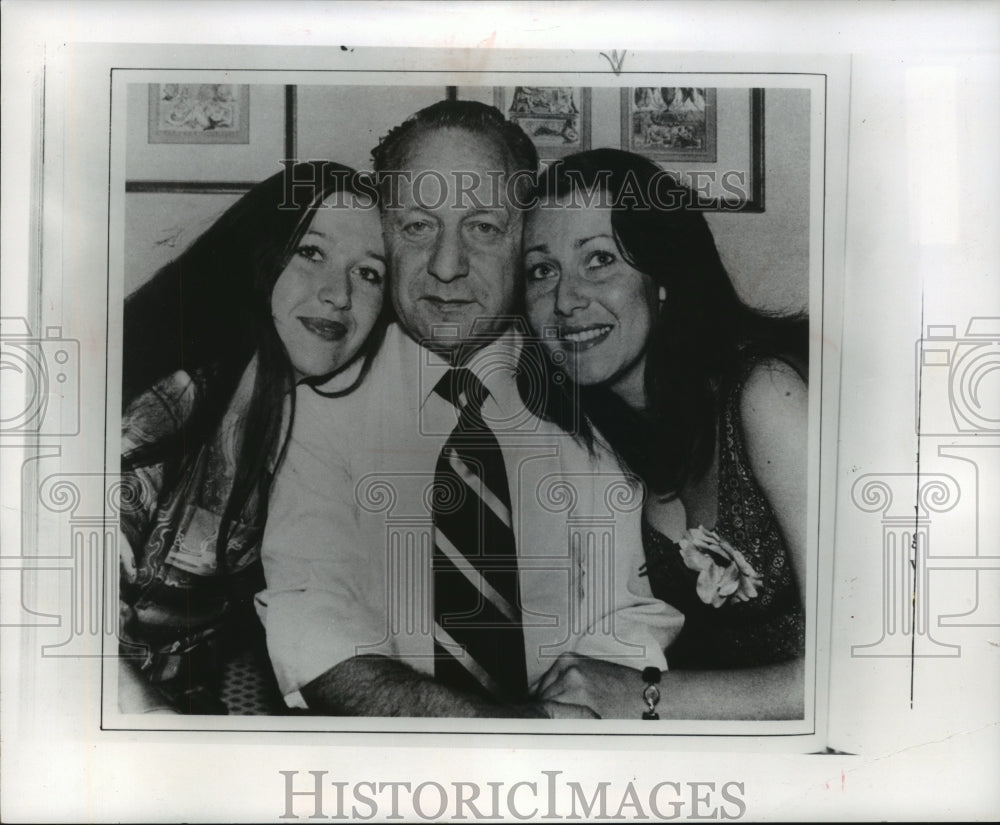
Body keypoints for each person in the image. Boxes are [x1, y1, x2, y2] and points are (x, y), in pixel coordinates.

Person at [257, 101, 682, 718]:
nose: (447, 267)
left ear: (527, 236)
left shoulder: (590, 380)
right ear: (383, 231)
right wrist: (495, 736)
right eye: (417, 227)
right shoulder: (320, 403)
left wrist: (570, 722)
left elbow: (630, 606)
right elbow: (313, 619)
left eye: (484, 228)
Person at [523, 149, 809, 720]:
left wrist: (640, 694)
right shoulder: (601, 436)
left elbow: (868, 664)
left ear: (664, 279)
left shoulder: (765, 396)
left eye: (598, 259)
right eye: (541, 269)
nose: (565, 299)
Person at [119, 161, 388, 713]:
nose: (339, 294)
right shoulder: (173, 399)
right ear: (258, 254)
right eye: (312, 253)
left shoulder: (309, 426)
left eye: (369, 273)